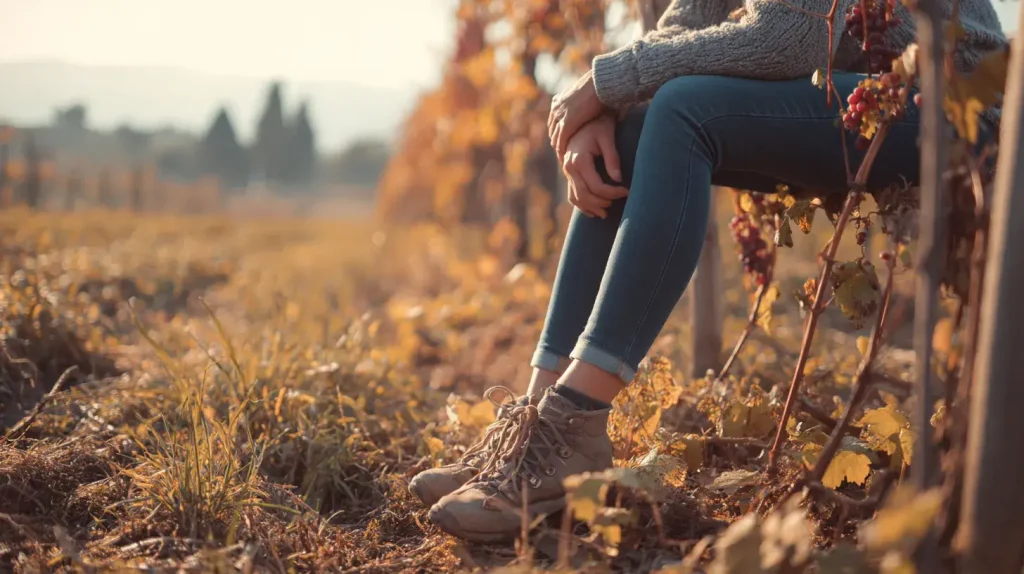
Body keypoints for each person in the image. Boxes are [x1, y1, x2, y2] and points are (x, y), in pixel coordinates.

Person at [409, 0, 1007, 543]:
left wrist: (603, 81)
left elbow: (790, 39)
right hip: (859, 92)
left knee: (683, 107)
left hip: (952, 102)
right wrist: (606, 108)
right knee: (639, 126)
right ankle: (536, 424)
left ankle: (575, 422)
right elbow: (688, 24)